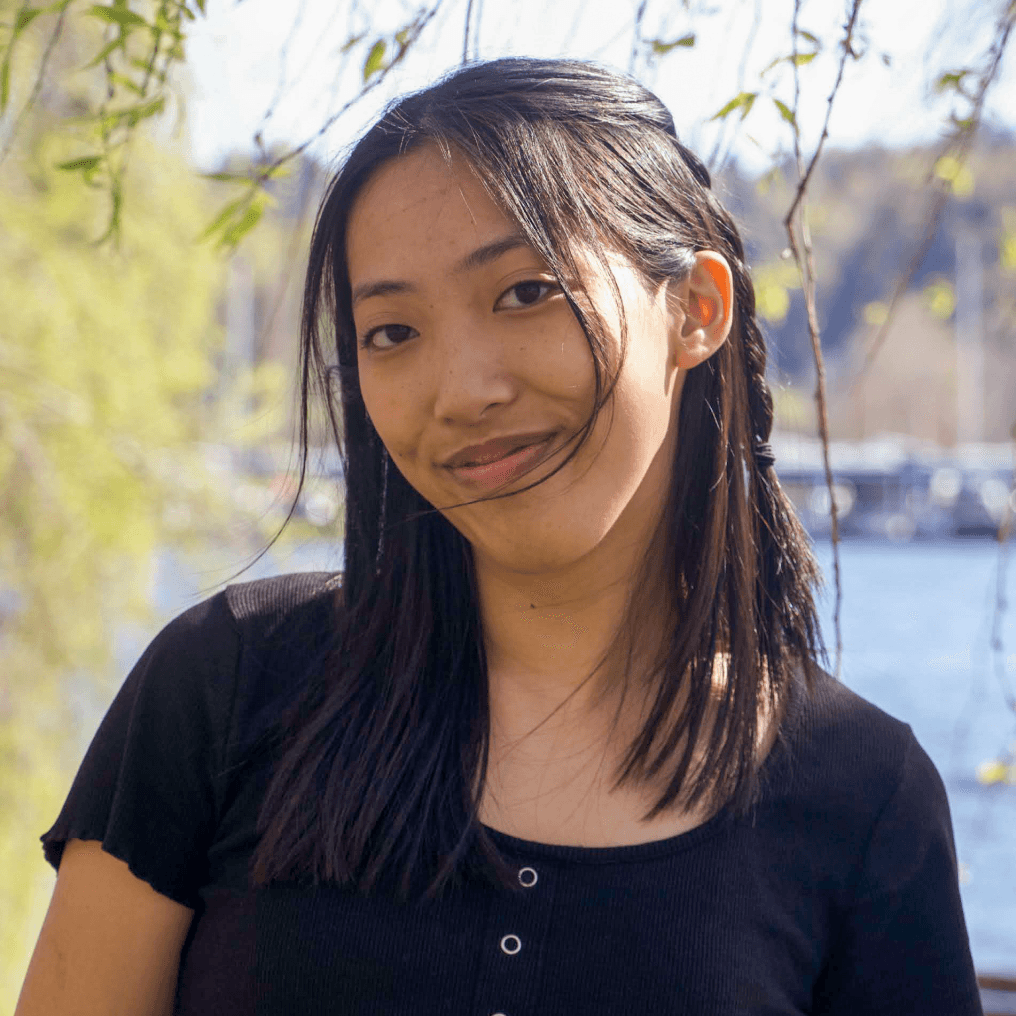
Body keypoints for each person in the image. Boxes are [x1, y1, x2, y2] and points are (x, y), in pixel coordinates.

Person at [17, 58, 982, 1015]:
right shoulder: (224, 688)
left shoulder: (863, 797)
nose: (463, 391)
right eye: (392, 332)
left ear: (696, 310)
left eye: (526, 293)